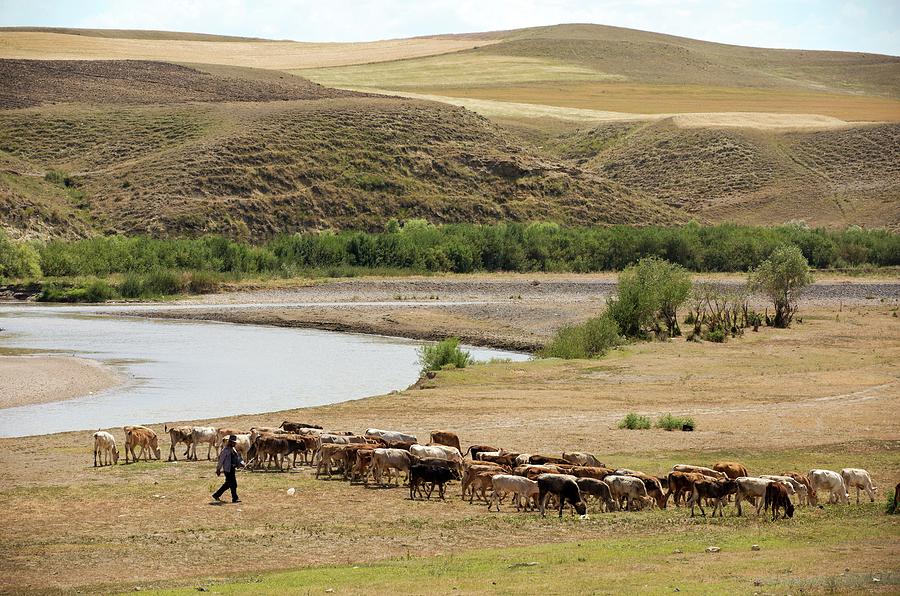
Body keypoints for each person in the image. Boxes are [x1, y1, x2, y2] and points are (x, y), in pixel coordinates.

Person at [212, 435, 244, 503]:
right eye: (233, 442)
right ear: (230, 442)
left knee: (228, 484)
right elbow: (221, 460)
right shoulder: (225, 450)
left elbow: (237, 457)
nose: (234, 444)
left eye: (235, 442)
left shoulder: (233, 449)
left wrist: (241, 463)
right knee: (233, 484)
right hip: (228, 469)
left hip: (232, 468)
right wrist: (218, 469)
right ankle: (235, 498)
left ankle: (216, 495)